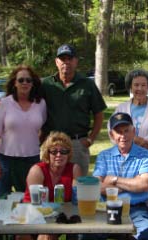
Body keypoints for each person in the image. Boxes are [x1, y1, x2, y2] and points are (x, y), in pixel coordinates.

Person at [0, 65, 46, 240]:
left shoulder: (40, 104)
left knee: (31, 206)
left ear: (33, 84)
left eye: (28, 80)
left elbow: (42, 129)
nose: (25, 83)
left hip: (31, 162)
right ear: (14, 83)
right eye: (21, 80)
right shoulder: (4, 103)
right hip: (6, 161)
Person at [41, 44, 107, 175]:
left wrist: (90, 139)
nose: (66, 62)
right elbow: (26, 100)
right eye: (62, 59)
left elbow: (99, 114)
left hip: (77, 144)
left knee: (78, 186)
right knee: (50, 183)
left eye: (70, 59)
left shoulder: (87, 84)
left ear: (76, 61)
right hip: (51, 144)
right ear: (56, 62)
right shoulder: (46, 84)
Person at [91, 112, 148, 240]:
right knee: (86, 235)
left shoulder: (145, 155)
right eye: (118, 132)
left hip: (136, 210)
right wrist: (132, 184)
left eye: (126, 131)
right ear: (112, 135)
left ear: (133, 132)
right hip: (107, 209)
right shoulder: (104, 155)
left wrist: (113, 180)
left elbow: (144, 185)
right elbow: (96, 186)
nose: (123, 136)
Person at [20, 131, 82, 240]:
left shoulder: (74, 169)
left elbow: (77, 200)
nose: (59, 155)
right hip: (33, 214)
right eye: (54, 151)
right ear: (47, 154)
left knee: (48, 235)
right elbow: (34, 204)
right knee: (25, 235)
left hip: (61, 216)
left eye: (64, 151)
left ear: (69, 154)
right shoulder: (37, 170)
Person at [113, 69, 148, 178]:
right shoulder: (121, 108)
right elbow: (112, 131)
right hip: (125, 160)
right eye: (136, 85)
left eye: (143, 85)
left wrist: (142, 142)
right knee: (125, 192)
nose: (139, 89)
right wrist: (133, 139)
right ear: (130, 87)